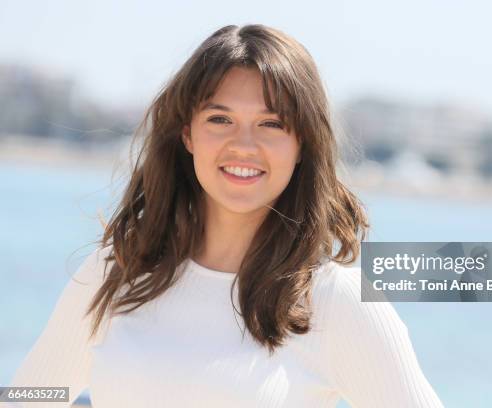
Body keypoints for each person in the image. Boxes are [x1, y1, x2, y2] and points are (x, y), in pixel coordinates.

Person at [6, 24, 444, 407]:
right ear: (187, 135)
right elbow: (32, 396)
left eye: (271, 124)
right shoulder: (116, 272)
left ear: (302, 146)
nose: (244, 145)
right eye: (220, 119)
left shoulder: (333, 301)